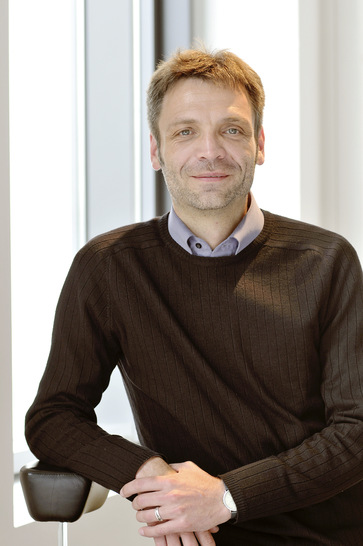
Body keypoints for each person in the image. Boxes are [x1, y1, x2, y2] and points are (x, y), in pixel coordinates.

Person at [25, 47, 363, 545]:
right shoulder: (110, 266)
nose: (210, 151)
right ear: (157, 151)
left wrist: (226, 497)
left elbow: (356, 431)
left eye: (231, 129)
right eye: (185, 131)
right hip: (191, 537)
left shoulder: (327, 259)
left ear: (259, 143)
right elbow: (53, 418)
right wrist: (152, 477)